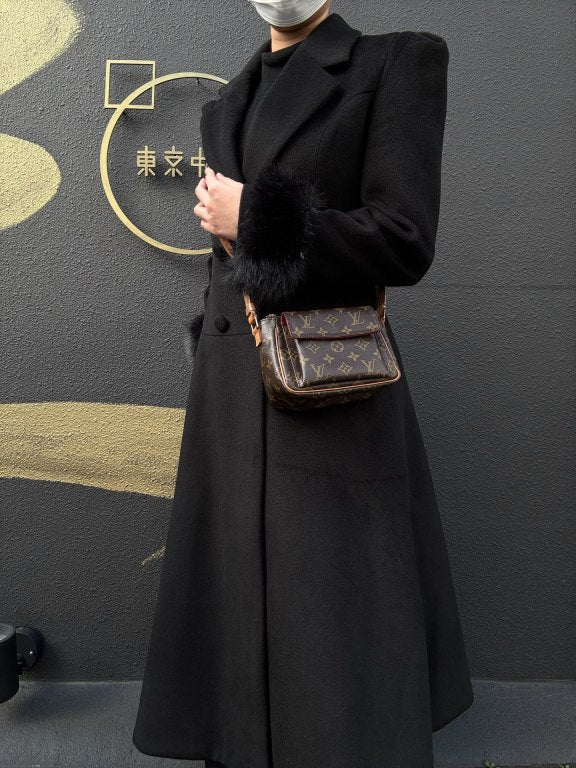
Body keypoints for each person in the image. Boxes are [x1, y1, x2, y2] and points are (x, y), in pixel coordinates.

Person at [132, 2, 475, 767]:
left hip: (327, 389)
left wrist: (257, 214)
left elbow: (405, 237)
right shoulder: (228, 101)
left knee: (331, 623)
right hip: (232, 392)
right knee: (239, 608)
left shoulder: (394, 62)